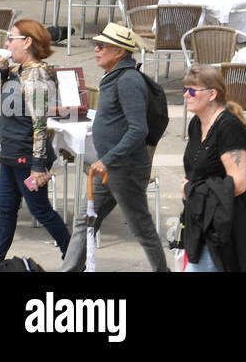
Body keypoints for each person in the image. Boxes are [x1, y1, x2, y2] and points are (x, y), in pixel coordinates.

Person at [60, 23, 168, 272]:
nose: (96, 49)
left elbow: (138, 129)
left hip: (125, 169)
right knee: (84, 222)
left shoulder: (128, 80)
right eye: (96, 45)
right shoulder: (115, 76)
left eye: (102, 46)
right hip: (111, 168)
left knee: (142, 228)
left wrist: (108, 159)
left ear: (119, 52)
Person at [0, 20, 70, 270]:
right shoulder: (19, 71)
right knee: (7, 210)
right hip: (11, 153)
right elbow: (12, 104)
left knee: (41, 211)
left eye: (11, 38)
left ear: (27, 42)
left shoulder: (37, 75)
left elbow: (39, 124)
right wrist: (1, 72)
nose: (7, 44)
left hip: (26, 156)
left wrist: (38, 166)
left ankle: (74, 256)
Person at [180, 65, 246, 272]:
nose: (187, 94)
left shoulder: (229, 129)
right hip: (198, 221)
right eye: (185, 89)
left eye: (193, 90)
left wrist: (192, 190)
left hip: (223, 228)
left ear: (212, 94)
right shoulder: (197, 124)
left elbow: (239, 184)